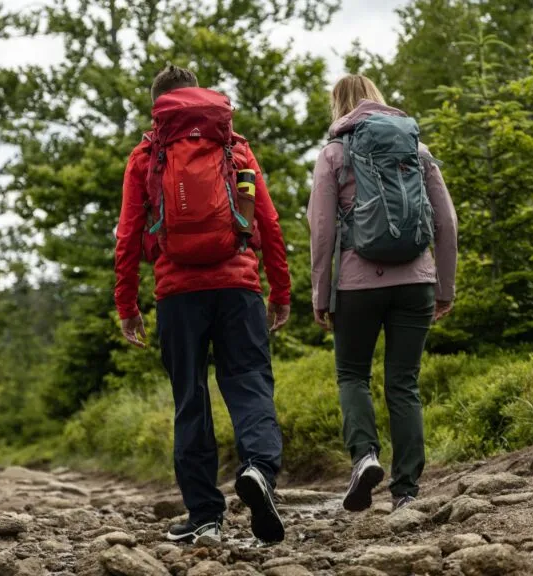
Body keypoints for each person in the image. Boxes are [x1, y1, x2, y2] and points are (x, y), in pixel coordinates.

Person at [113, 65, 292, 544]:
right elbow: (269, 224)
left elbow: (128, 234)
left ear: (157, 105)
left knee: (190, 399)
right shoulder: (235, 147)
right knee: (250, 382)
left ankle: (205, 515)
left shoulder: (147, 154)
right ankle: (259, 470)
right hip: (239, 286)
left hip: (177, 294)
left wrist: (127, 304)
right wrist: (281, 290)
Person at [307, 74, 458, 514]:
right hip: (416, 282)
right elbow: (446, 222)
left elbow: (321, 229)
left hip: (357, 284)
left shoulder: (334, 153)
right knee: (404, 384)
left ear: (340, 106)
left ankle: (365, 457)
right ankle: (406, 490)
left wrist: (321, 293)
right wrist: (443, 286)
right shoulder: (418, 150)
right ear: (379, 101)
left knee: (353, 375)